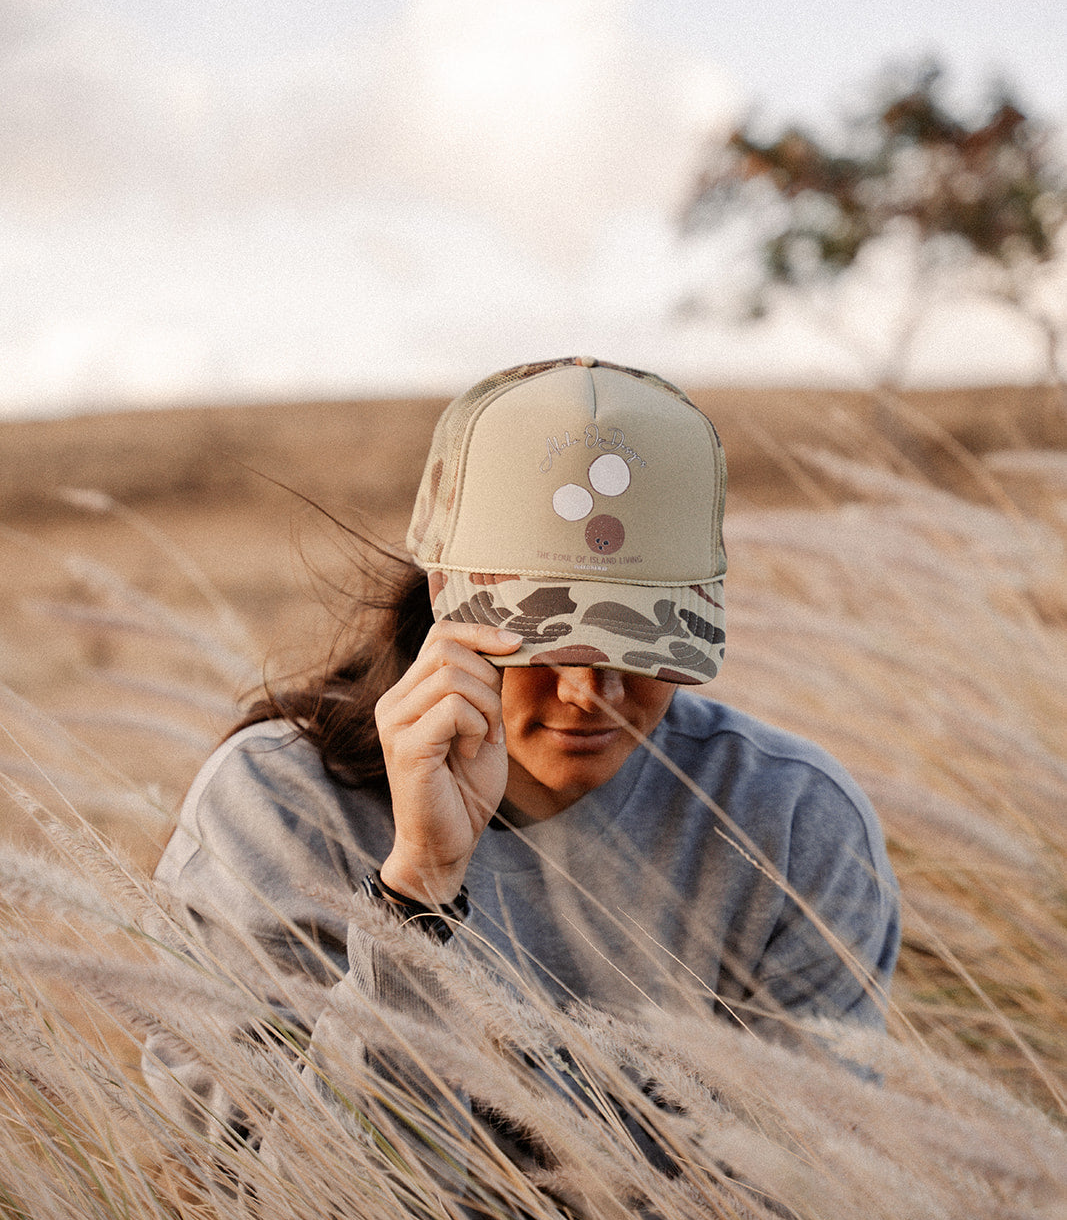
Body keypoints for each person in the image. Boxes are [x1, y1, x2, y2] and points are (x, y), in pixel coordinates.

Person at [145, 355, 899, 1155]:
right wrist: (418, 892)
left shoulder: (790, 821)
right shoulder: (276, 807)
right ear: (442, 597)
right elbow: (268, 1213)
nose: (587, 690)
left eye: (641, 639)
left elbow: (807, 1210)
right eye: (539, 637)